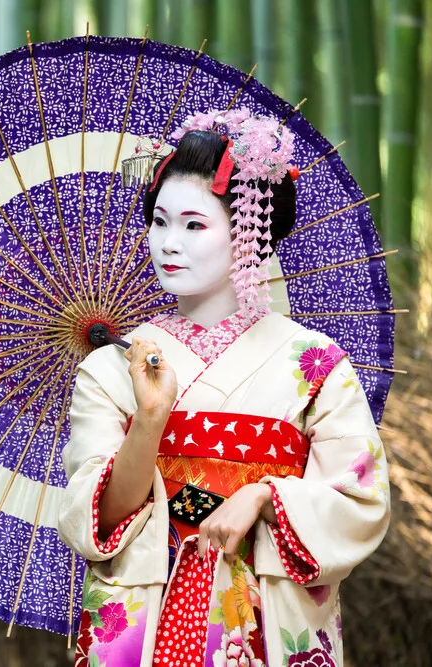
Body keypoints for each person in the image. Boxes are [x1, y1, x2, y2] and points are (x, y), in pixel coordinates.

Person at [57, 108, 390, 667]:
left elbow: (361, 505)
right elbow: (102, 518)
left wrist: (264, 495)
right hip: (151, 616)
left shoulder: (314, 363)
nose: (168, 243)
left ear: (248, 232)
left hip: (265, 615)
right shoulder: (113, 367)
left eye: (194, 224)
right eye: (159, 221)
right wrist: (150, 419)